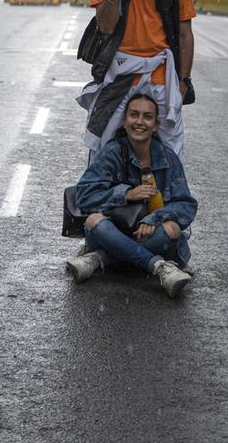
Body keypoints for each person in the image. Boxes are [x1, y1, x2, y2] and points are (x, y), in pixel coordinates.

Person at [78, 0, 196, 160]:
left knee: (171, 150)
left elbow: (185, 33)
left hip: (161, 75)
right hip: (118, 70)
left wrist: (184, 81)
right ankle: (97, 197)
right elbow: (107, 25)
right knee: (100, 144)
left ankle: (170, 198)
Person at [66, 94, 197, 298]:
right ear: (125, 122)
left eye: (147, 117)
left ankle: (100, 258)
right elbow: (84, 195)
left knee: (172, 229)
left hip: (149, 234)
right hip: (113, 230)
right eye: (133, 115)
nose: (139, 122)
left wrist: (153, 219)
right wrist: (127, 194)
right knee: (94, 221)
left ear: (155, 125)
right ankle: (158, 266)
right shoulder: (112, 152)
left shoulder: (168, 157)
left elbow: (186, 205)